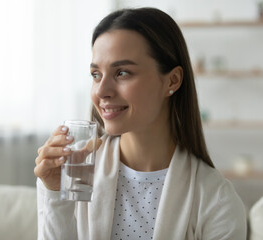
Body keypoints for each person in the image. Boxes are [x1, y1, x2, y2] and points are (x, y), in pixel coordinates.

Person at [34, 7, 247, 240]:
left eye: (122, 73)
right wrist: (54, 194)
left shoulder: (216, 200)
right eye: (96, 75)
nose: (102, 91)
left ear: (172, 80)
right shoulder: (75, 173)